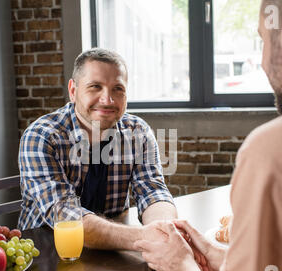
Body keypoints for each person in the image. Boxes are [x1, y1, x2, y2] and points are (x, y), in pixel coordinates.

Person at [135, 0, 282, 271]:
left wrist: (183, 265)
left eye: (263, 40)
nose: (261, 61)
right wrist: (220, 257)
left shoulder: (280, 150)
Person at [18, 48, 177, 250]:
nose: (107, 99)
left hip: (113, 251)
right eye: (95, 87)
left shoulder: (138, 132)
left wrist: (165, 230)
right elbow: (67, 217)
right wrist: (145, 238)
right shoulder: (41, 137)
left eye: (118, 89)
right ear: (73, 91)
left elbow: (153, 192)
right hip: (49, 255)